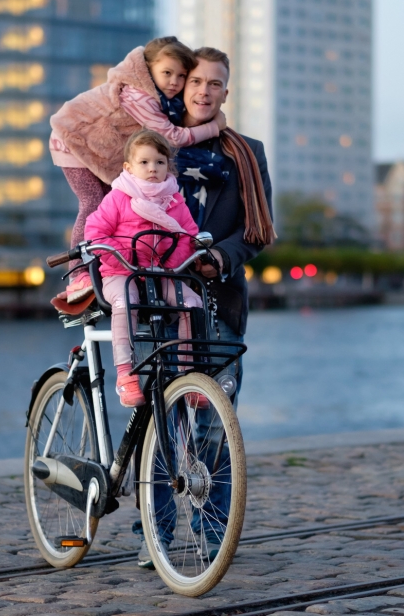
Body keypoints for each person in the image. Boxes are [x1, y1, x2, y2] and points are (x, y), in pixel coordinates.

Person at [135, 46, 275, 568]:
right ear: (181, 84)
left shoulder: (247, 152)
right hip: (155, 300)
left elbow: (257, 233)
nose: (203, 91)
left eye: (215, 84)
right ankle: (154, 533)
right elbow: (120, 207)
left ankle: (214, 533)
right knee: (159, 425)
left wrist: (222, 255)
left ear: (225, 93)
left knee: (217, 430)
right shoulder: (148, 142)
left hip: (219, 302)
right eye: (195, 80)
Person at [49, 37, 225, 304]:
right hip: (72, 142)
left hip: (88, 145)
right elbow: (170, 136)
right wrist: (214, 127)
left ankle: (111, 270)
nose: (174, 82)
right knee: (93, 203)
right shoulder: (137, 94)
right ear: (147, 70)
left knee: (116, 204)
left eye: (180, 76)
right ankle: (80, 275)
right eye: (166, 73)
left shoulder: (152, 97)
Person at [83, 129, 203, 407]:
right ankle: (125, 374)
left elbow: (188, 234)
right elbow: (96, 231)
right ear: (129, 167)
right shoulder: (118, 197)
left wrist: (172, 262)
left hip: (159, 271)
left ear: (168, 167)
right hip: (119, 270)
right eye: (144, 162)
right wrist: (123, 256)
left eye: (160, 162)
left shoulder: (174, 200)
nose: (152, 169)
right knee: (128, 303)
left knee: (192, 303)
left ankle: (189, 373)